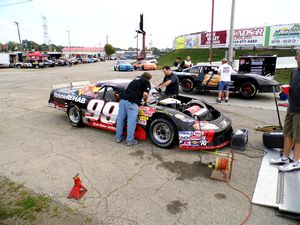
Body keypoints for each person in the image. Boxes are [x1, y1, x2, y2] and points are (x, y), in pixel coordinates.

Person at [269, 49, 300, 172]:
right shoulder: (294, 71)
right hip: (291, 107)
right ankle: (286, 158)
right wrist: (287, 89)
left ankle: (296, 161)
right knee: (287, 134)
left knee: (298, 137)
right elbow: (294, 87)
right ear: (296, 57)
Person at [116, 72, 152, 146]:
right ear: (149, 78)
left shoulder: (135, 79)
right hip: (131, 103)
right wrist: (146, 101)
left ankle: (118, 138)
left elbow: (126, 89)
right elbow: (145, 94)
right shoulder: (146, 81)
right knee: (131, 123)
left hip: (122, 101)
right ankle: (130, 141)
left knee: (120, 120)